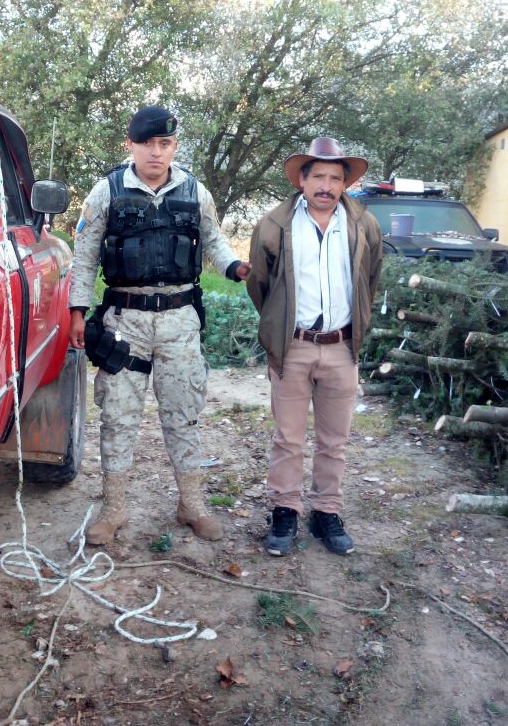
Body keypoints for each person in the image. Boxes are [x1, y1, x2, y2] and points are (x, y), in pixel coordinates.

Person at [68, 106, 250, 545]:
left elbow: (214, 241)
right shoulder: (106, 191)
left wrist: (234, 267)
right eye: (147, 143)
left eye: (165, 144)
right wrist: (77, 310)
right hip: (124, 322)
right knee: (118, 416)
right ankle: (114, 509)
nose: (156, 152)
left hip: (179, 321)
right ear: (130, 145)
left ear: (174, 147)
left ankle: (191, 505)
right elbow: (85, 255)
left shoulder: (194, 191)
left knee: (184, 413)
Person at [246, 137, 383, 555]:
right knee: (288, 438)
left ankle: (326, 512)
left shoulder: (363, 225)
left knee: (334, 439)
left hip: (342, 346)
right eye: (318, 176)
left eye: (335, 178)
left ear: (344, 184)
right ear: (302, 180)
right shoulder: (275, 224)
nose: (326, 185)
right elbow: (261, 286)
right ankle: (285, 511)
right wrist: (280, 326)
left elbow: (370, 280)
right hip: (294, 346)